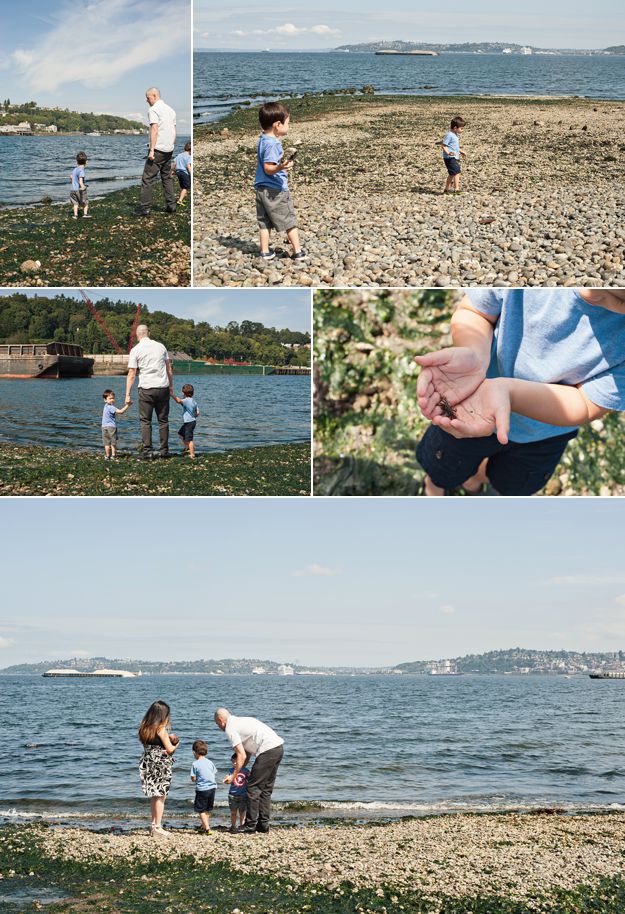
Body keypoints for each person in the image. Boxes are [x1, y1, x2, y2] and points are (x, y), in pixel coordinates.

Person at [415, 289, 625, 497]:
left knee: (514, 483)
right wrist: (474, 353)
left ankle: (475, 479)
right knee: (442, 465)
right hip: (471, 400)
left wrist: (509, 393)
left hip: (542, 436)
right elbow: (475, 312)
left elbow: (586, 403)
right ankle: (435, 484)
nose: (590, 294)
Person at [214, 708, 284, 835]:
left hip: (267, 750)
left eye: (218, 725)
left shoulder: (230, 728)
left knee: (252, 788)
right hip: (278, 748)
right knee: (265, 790)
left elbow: (241, 756)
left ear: (220, 720)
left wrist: (233, 776)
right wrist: (236, 772)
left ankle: (250, 825)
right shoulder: (242, 721)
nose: (220, 728)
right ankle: (263, 825)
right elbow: (246, 754)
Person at [254, 102, 305, 262]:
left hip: (261, 187)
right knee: (289, 220)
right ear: (277, 125)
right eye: (288, 123)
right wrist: (282, 167)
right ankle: (298, 251)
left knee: (264, 222)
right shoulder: (273, 144)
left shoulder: (263, 139)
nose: (289, 126)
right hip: (275, 190)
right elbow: (269, 167)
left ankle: (264, 251)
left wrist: (282, 166)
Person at [125, 324, 173, 459]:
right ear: (148, 333)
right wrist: (170, 387)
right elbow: (169, 369)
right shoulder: (161, 346)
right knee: (163, 421)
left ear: (137, 335)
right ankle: (164, 451)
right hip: (162, 387)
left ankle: (148, 452)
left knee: (145, 421)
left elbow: (132, 374)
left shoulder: (135, 350)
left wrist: (127, 394)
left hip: (146, 389)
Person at [138, 700, 179, 837]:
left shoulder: (145, 728)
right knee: (161, 795)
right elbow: (170, 750)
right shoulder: (161, 729)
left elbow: (151, 746)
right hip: (161, 764)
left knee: (154, 794)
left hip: (148, 762)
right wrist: (176, 744)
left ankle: (153, 825)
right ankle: (158, 827)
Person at [137, 87, 177, 216]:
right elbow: (173, 130)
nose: (146, 100)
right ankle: (171, 206)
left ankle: (145, 209)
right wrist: (171, 145)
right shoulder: (171, 110)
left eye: (148, 98)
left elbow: (154, 129)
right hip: (168, 149)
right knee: (166, 177)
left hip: (158, 149)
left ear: (154, 96)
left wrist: (151, 151)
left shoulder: (153, 110)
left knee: (147, 179)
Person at [190, 740, 217, 833]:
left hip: (202, 789)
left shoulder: (195, 764)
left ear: (194, 752)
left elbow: (193, 778)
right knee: (208, 809)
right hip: (212, 788)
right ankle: (203, 825)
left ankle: (207, 828)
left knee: (201, 809)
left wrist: (196, 779)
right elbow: (213, 773)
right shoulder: (210, 762)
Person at [171, 382, 199, 458]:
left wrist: (171, 394)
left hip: (189, 423)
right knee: (180, 434)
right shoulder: (194, 401)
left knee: (189, 439)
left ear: (184, 393)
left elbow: (178, 401)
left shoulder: (186, 400)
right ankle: (188, 448)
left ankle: (192, 454)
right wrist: (194, 415)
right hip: (191, 422)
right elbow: (198, 413)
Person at [101, 389, 130, 459]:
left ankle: (107, 456)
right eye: (110, 398)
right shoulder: (111, 407)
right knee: (113, 442)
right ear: (105, 400)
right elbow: (121, 411)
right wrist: (128, 405)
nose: (112, 400)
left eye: (113, 398)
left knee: (106, 442)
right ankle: (113, 455)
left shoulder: (105, 406)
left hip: (104, 427)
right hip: (111, 427)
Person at [441, 116, 467, 194]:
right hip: (449, 157)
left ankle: (446, 189)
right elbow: (444, 145)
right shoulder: (449, 135)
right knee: (457, 172)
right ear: (455, 127)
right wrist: (448, 152)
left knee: (452, 173)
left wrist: (461, 151)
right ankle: (456, 189)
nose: (462, 130)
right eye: (461, 128)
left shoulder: (455, 135)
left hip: (453, 157)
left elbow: (454, 146)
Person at [227, 751, 250, 833]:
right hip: (232, 795)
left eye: (236, 761)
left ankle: (242, 825)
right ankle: (233, 826)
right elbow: (228, 779)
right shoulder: (231, 770)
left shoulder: (245, 771)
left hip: (243, 795)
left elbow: (250, 780)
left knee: (242, 812)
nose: (235, 763)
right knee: (233, 812)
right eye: (233, 762)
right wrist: (227, 780)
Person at [70, 151, 90, 219]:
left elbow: (71, 177)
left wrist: (73, 183)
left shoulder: (75, 169)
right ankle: (85, 214)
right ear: (86, 162)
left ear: (76, 162)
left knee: (75, 203)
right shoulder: (82, 170)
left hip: (73, 189)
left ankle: (75, 215)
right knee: (85, 203)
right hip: (79, 190)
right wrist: (83, 187)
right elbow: (80, 181)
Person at [173, 141, 192, 206]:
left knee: (183, 186)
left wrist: (172, 171)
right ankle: (180, 200)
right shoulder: (189, 156)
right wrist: (191, 173)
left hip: (178, 172)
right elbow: (188, 166)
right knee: (185, 187)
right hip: (184, 173)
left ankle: (183, 198)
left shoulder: (179, 155)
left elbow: (174, 164)